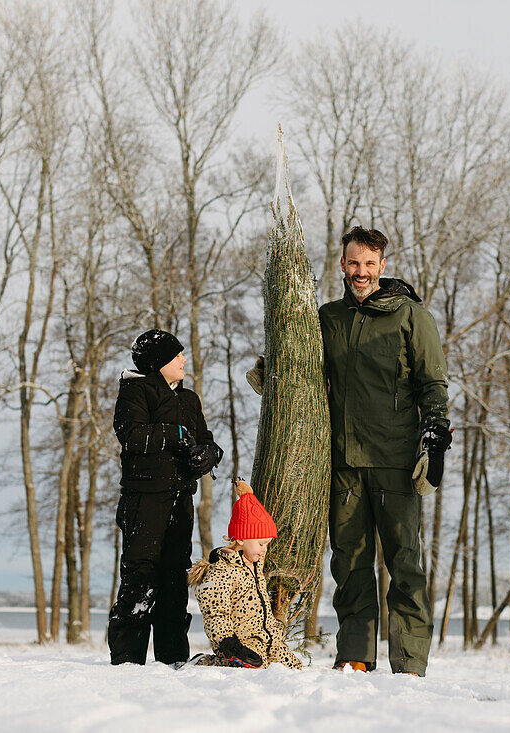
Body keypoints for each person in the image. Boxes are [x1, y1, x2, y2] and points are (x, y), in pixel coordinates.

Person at [319, 226, 450, 677]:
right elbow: (307, 369)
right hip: (344, 465)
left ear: (383, 267)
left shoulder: (411, 316)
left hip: (396, 460)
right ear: (342, 263)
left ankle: (409, 662)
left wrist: (434, 440)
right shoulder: (328, 318)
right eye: (353, 263)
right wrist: (274, 368)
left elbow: (432, 382)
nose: (360, 272)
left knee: (404, 563)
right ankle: (356, 655)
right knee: (350, 564)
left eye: (369, 264)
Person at [107, 328, 223, 666]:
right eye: (177, 356)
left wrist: (209, 454)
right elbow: (131, 436)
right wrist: (176, 434)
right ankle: (127, 659)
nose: (184, 360)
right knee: (140, 576)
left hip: (180, 498)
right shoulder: (134, 392)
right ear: (159, 363)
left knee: (175, 577)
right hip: (144, 500)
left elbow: (206, 438)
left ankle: (173, 658)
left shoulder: (189, 399)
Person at [186, 479, 303, 670]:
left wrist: (247, 495)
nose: (265, 550)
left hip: (271, 643)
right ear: (240, 538)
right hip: (241, 645)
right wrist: (228, 643)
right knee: (257, 668)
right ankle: (207, 662)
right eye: (261, 544)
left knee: (295, 669)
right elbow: (215, 612)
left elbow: (251, 513)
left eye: (267, 544)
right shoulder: (222, 571)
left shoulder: (254, 565)